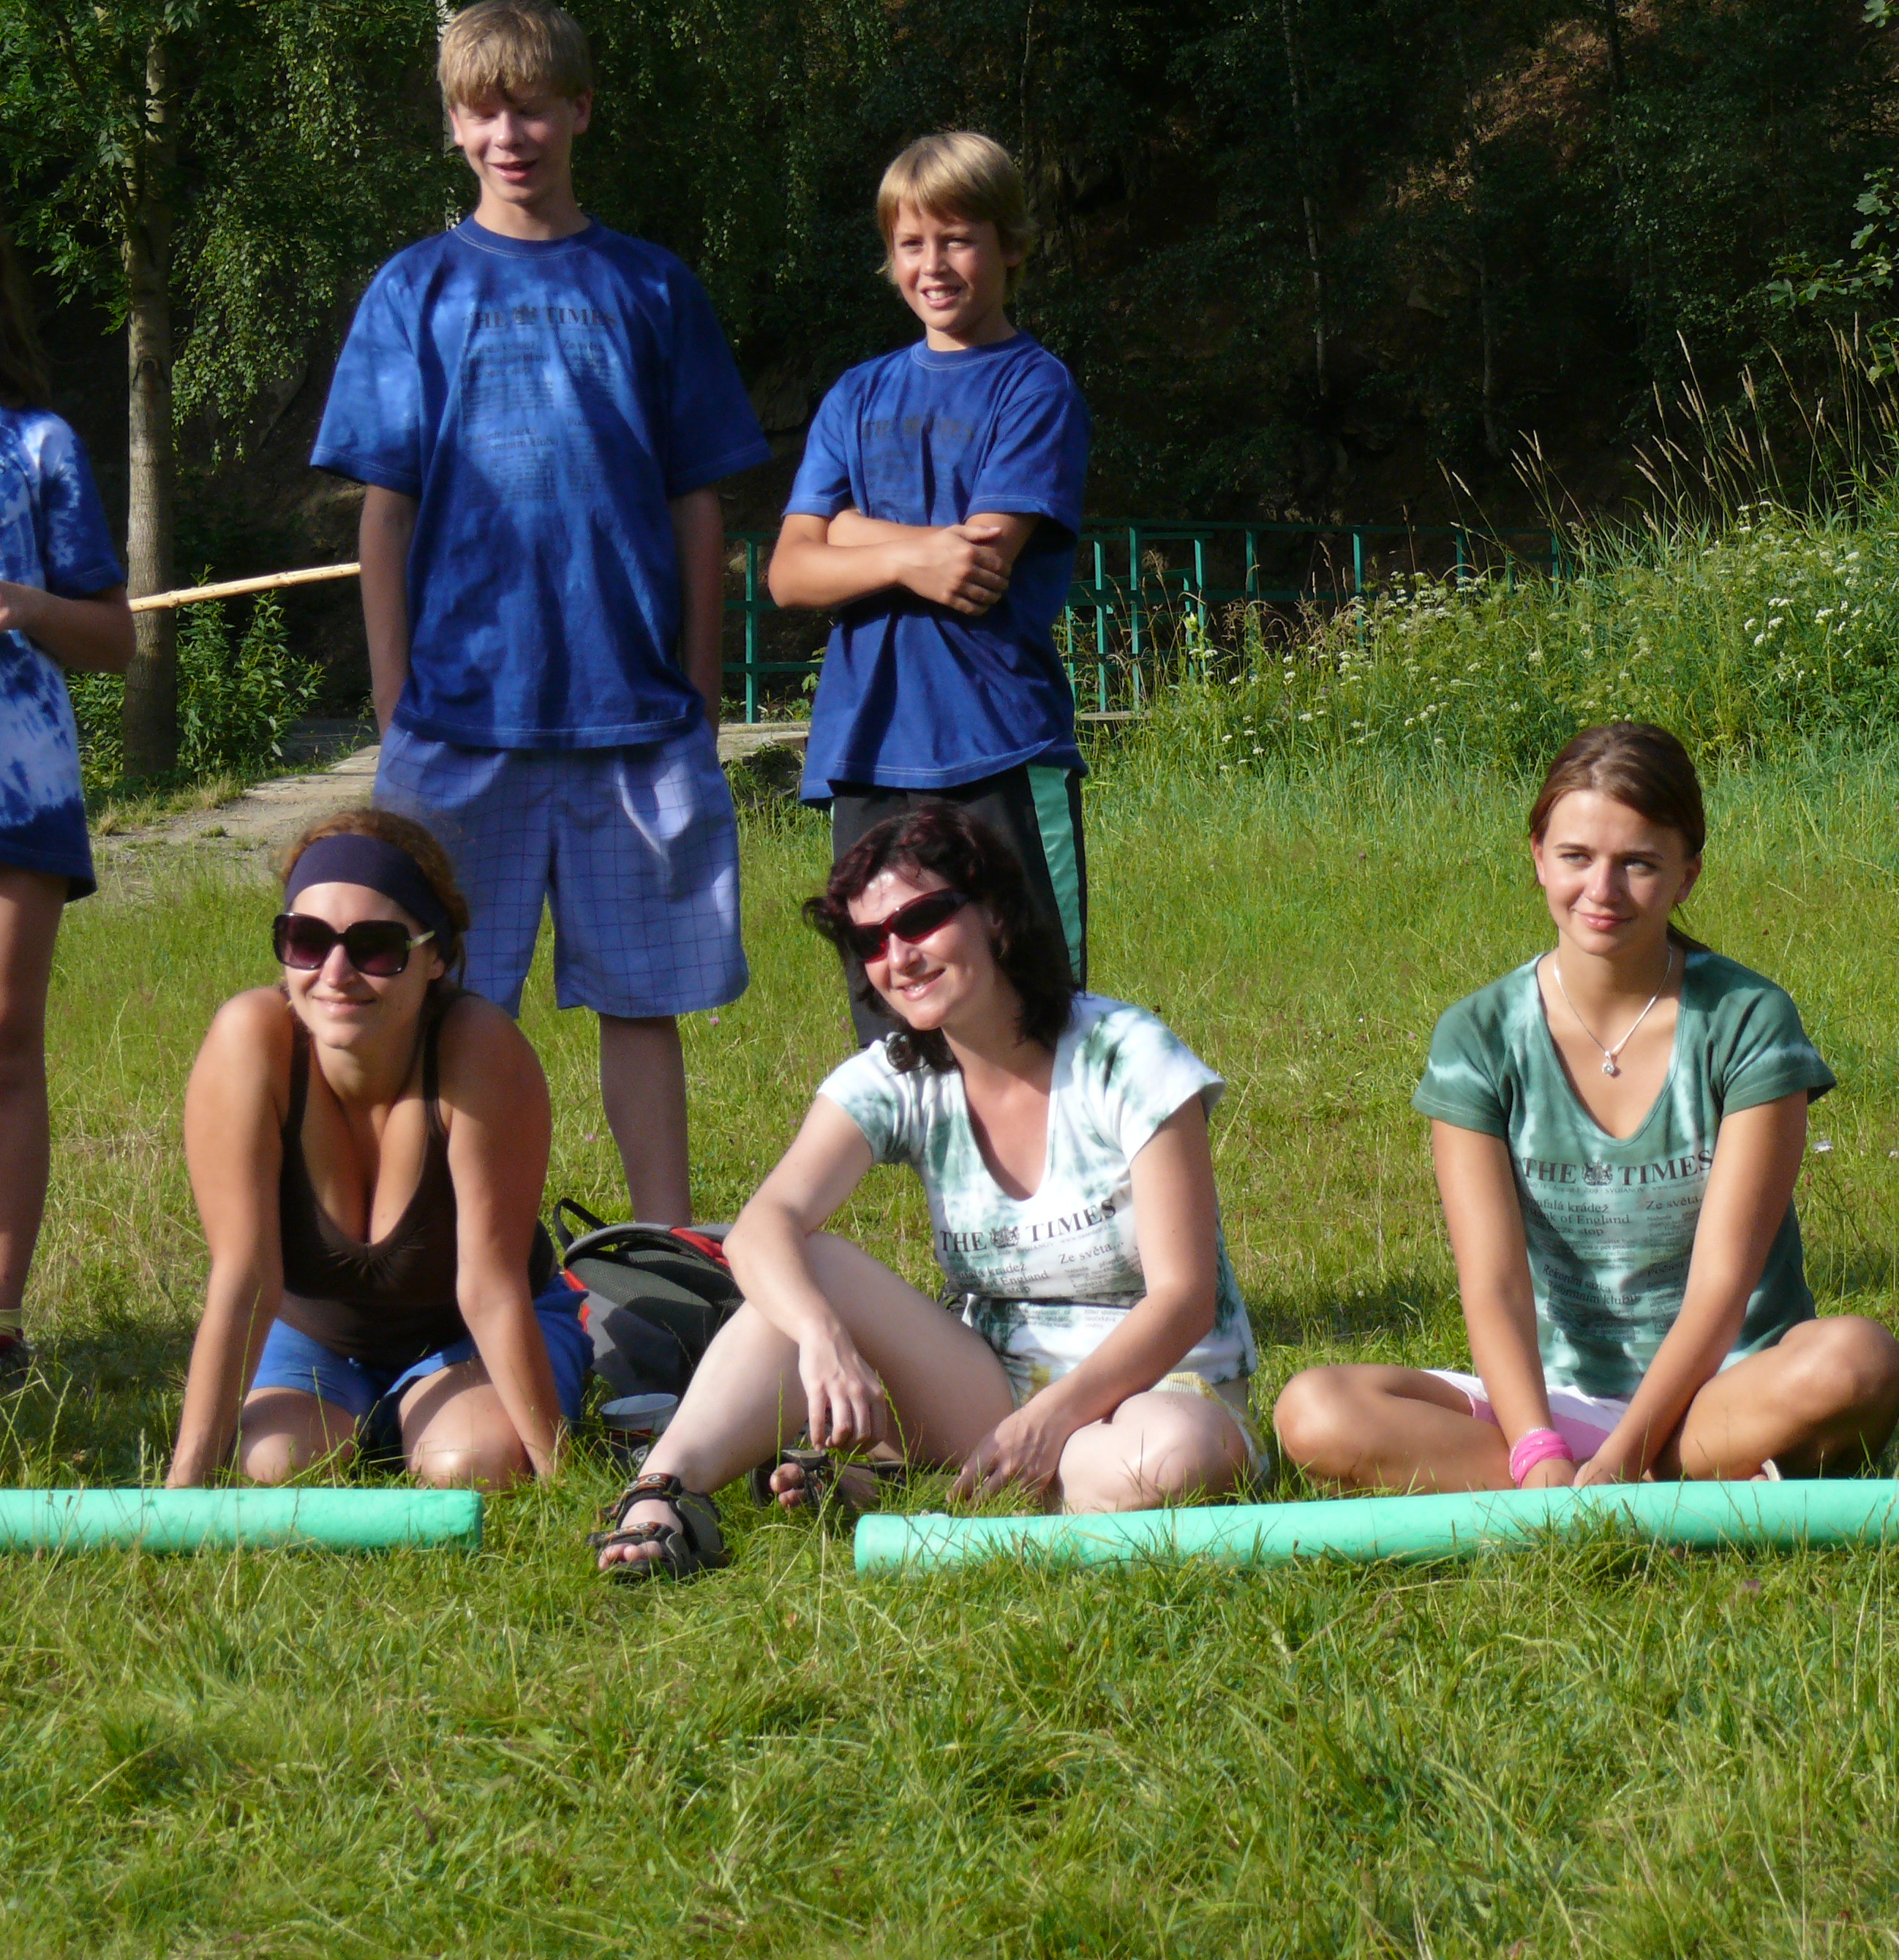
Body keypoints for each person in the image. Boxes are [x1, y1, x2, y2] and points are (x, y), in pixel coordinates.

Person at [309, 0, 771, 1226]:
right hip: (461, 725)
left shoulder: (653, 287)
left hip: (636, 722)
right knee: (442, 1007)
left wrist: (700, 692)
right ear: (454, 125)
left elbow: (698, 505)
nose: (508, 134)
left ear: (580, 110)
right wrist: (394, 697)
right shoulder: (415, 291)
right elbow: (386, 513)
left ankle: (663, 1250)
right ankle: (440, 1260)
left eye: (530, 108)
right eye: (482, 111)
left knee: (643, 1002)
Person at [593, 802, 1255, 1580]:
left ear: (995, 913)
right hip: (987, 1387)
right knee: (809, 1269)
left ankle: (906, 1479)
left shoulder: (1126, 1056)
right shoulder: (900, 1073)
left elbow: (1185, 1300)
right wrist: (823, 1338)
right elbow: (763, 1226)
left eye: (920, 920)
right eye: (871, 941)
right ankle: (662, 1495)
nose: (898, 956)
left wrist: (1053, 1419)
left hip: (1157, 1391)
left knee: (1170, 1460)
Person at [1272, 723, 1899, 1494]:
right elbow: (1494, 1285)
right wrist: (1538, 1448)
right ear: (1538, 857)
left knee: (1858, 1361)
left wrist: (1624, 1457)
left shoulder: (1749, 1021)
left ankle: (1618, 1480)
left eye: (1638, 863)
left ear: (1687, 876)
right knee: (1314, 1409)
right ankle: (1638, 1483)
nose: (1602, 891)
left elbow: (1722, 1285)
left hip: (1727, 1389)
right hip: (1554, 1402)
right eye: (1576, 857)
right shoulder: (1477, 1035)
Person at [766, 131, 1092, 1037]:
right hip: (866, 747)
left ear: (1010, 246)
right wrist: (910, 555)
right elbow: (790, 571)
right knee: (895, 1026)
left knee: (1032, 1013)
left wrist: (850, 532)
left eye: (958, 239)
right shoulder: (856, 394)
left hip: (997, 743)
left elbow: (977, 562)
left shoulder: (1035, 388)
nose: (933, 265)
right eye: (912, 243)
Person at [166, 812, 587, 1488]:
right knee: (275, 1467)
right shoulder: (251, 1042)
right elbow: (244, 1277)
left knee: (468, 1465)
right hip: (315, 1342)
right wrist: (184, 1488)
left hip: (467, 1338)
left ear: (435, 958)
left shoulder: (476, 1049)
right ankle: (381, 1419)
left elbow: (491, 1288)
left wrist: (563, 1483)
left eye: (376, 947)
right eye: (307, 941)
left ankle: (426, 1421)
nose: (335, 972)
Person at [0, 224, 132, 1378]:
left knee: (4, 1043)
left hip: (19, 789)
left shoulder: (39, 445)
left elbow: (112, 638)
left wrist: (21, 603)